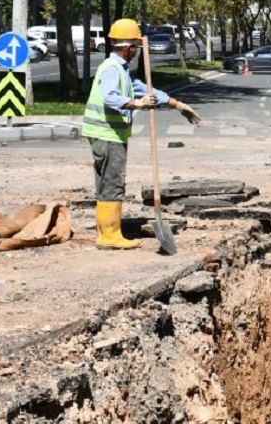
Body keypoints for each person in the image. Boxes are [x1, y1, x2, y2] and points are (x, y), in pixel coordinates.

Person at [82, 18, 201, 250]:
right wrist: (138, 104)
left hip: (109, 134)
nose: (137, 51)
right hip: (106, 134)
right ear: (128, 47)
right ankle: (109, 235)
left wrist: (177, 104)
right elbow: (111, 98)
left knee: (107, 182)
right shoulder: (111, 69)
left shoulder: (122, 70)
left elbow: (147, 91)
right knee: (112, 182)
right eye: (135, 46)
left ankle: (108, 231)